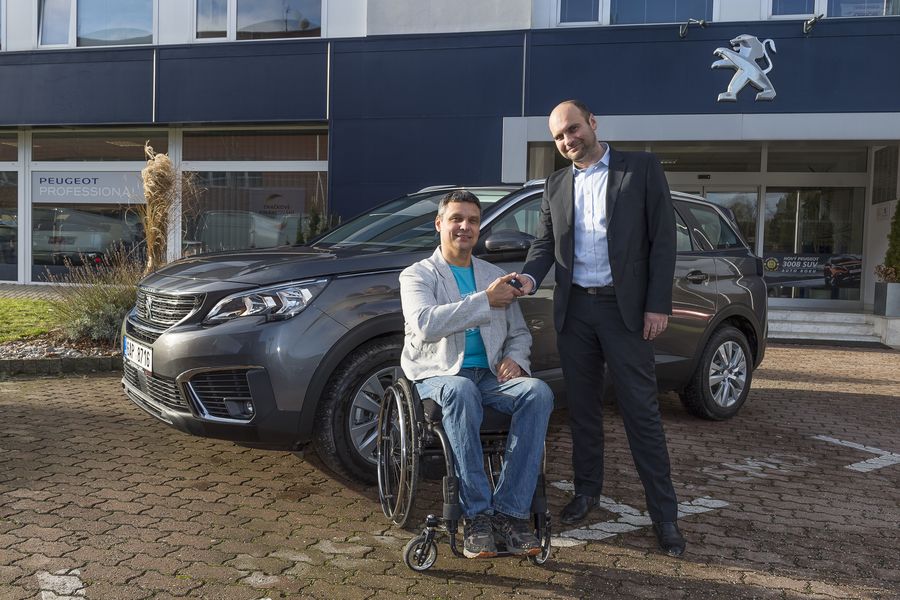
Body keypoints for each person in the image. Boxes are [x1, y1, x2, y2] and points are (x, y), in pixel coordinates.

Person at [518, 99, 686, 556]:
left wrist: (657, 305)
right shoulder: (555, 184)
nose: (567, 140)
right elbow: (544, 244)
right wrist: (529, 278)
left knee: (641, 413)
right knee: (583, 411)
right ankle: (587, 491)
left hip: (624, 312)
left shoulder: (641, 168)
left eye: (573, 129)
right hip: (575, 313)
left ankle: (665, 515)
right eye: (558, 136)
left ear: (592, 123)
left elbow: (663, 240)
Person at [399, 190, 554, 559]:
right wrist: (485, 300)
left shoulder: (493, 275)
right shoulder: (418, 275)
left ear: (479, 227)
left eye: (472, 220)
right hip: (437, 374)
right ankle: (477, 514)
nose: (464, 226)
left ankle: (510, 513)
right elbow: (425, 324)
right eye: (456, 219)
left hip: (488, 375)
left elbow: (519, 333)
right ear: (439, 224)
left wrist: (515, 358)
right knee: (460, 390)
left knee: (538, 392)